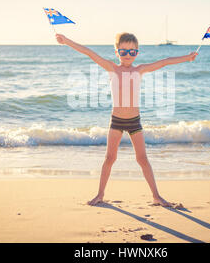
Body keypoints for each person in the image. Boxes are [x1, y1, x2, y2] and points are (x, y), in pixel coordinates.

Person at [55, 32, 198, 206]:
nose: (128, 55)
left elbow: (164, 62)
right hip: (116, 121)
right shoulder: (112, 69)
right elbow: (89, 53)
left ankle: (156, 196)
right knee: (109, 158)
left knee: (142, 159)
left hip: (134, 122)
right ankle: (100, 194)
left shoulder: (140, 70)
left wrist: (187, 58)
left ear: (137, 52)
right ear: (117, 52)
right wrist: (66, 41)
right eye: (123, 52)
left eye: (132, 52)